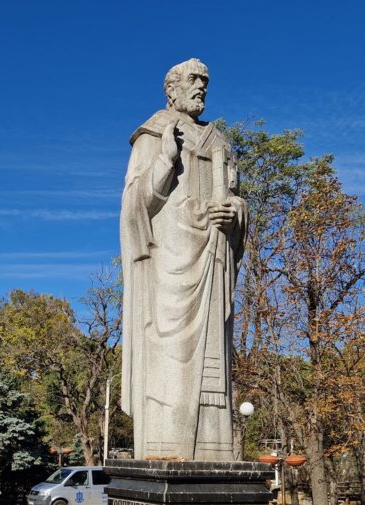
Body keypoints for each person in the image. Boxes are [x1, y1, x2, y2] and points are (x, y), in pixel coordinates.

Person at [120, 58, 248, 461]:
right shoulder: (153, 134)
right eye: (193, 80)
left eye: (205, 82)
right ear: (171, 88)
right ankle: (165, 444)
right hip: (168, 263)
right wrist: (165, 160)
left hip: (211, 257)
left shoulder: (219, 143)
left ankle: (211, 450)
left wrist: (236, 214)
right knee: (169, 359)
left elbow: (235, 198)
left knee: (214, 365)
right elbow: (133, 205)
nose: (201, 88)